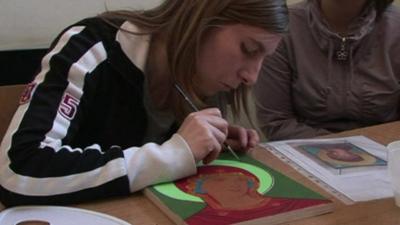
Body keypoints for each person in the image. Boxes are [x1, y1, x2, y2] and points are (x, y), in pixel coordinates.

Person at [0, 0, 288, 206]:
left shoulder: (202, 74)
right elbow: (19, 171)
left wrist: (205, 142)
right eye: (249, 49)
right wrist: (173, 154)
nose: (252, 76)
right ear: (202, 18)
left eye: (264, 58)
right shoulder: (91, 48)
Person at [254, 0, 399, 140]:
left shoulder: (395, 28)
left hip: (387, 151)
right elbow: (276, 122)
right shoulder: (284, 27)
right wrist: (338, 146)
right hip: (304, 151)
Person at [175, 165, 331, 225]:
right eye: (219, 180)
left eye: (240, 179)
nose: (233, 183)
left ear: (252, 184)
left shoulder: (294, 205)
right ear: (198, 189)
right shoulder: (201, 220)